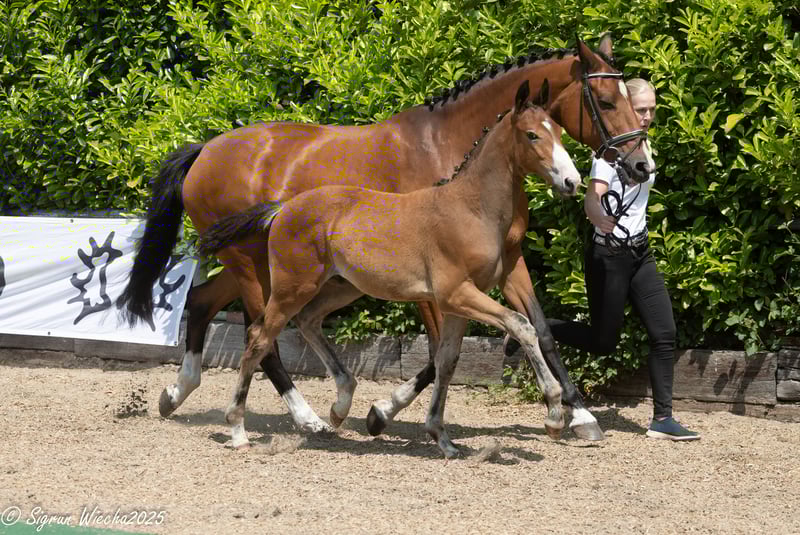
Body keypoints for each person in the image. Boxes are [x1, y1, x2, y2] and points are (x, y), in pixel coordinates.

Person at [547, 78, 700, 441]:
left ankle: (663, 419)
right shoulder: (609, 153)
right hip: (609, 256)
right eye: (641, 109)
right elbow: (593, 194)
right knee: (603, 343)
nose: (646, 116)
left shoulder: (644, 145)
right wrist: (596, 214)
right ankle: (543, 328)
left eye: (652, 110)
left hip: (640, 253)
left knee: (665, 332)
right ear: (627, 107)